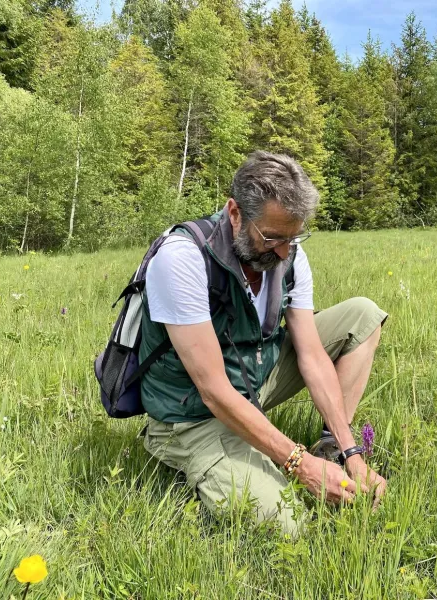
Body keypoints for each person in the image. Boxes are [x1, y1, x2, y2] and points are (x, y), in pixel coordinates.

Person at [139, 150, 388, 535]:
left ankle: (329, 452)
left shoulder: (287, 255)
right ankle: (191, 457)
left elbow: (312, 355)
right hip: (192, 415)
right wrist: (298, 465)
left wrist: (351, 451)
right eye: (272, 237)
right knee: (290, 526)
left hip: (252, 376)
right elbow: (214, 392)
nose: (285, 252)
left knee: (363, 315)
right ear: (235, 213)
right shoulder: (182, 260)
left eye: (294, 236)